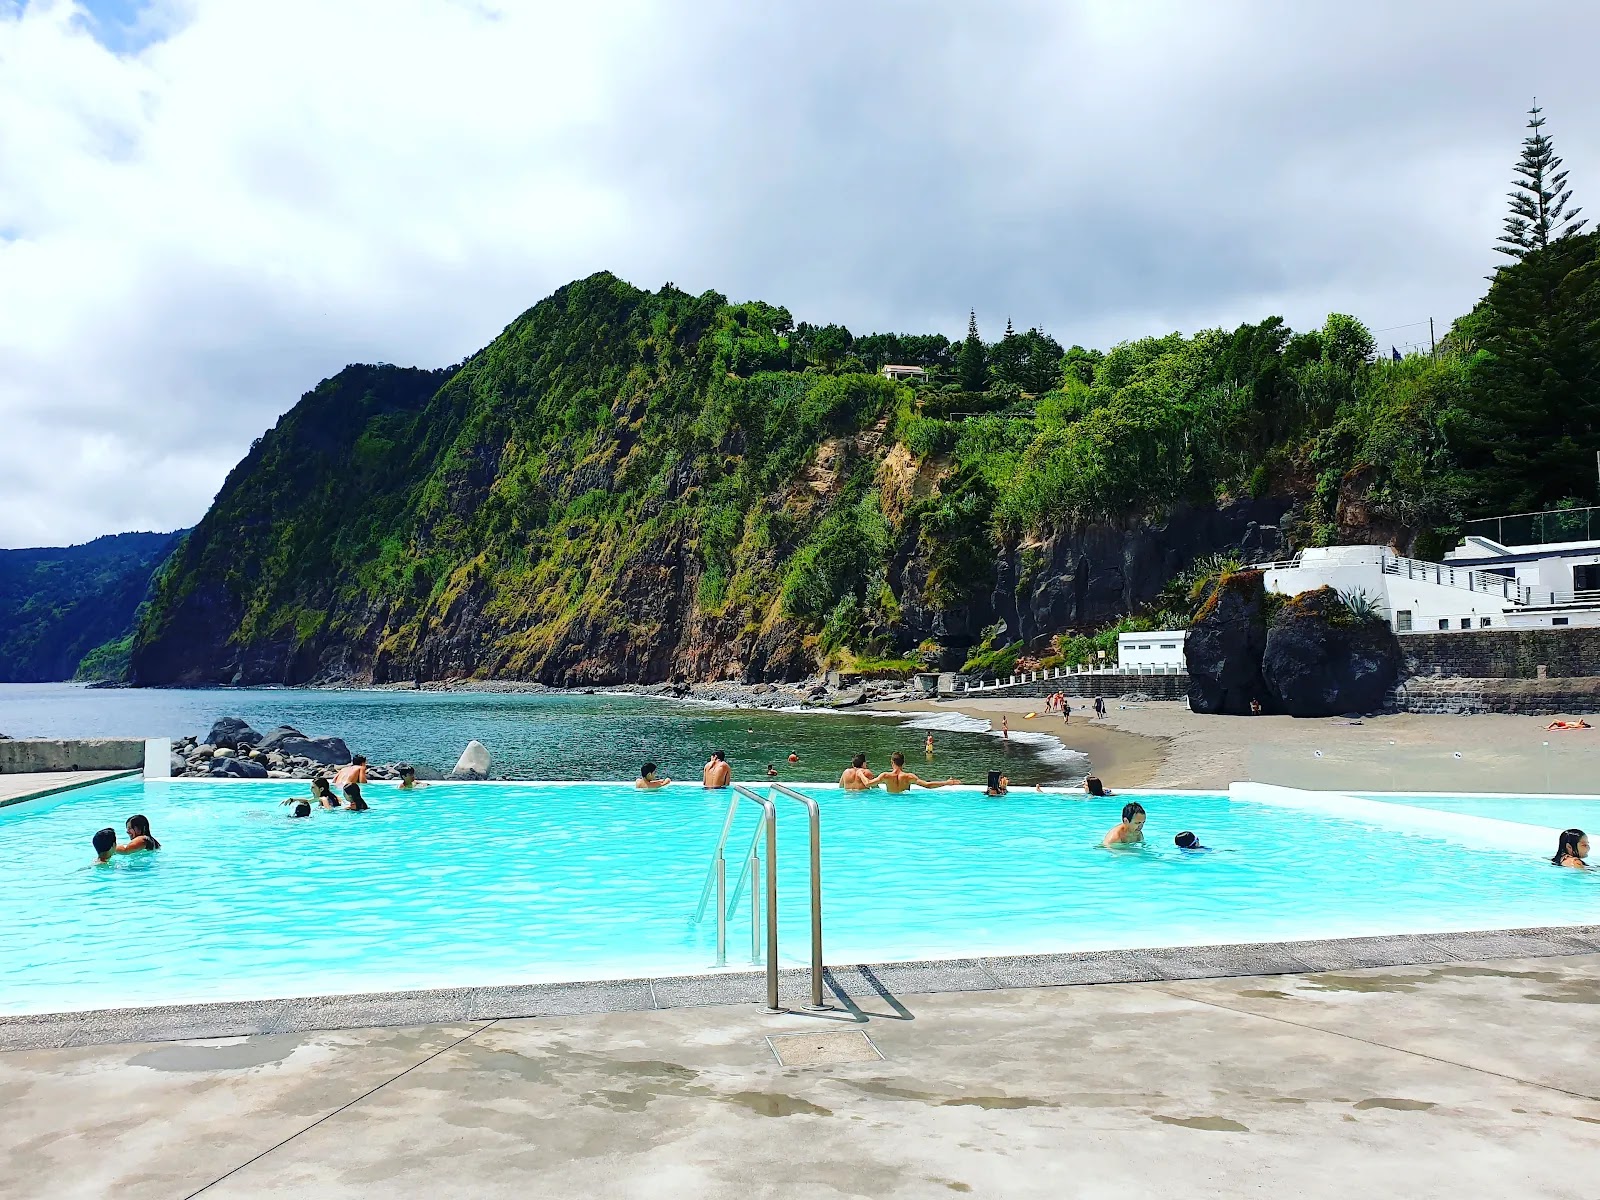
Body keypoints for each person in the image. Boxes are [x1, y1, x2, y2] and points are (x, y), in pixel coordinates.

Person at [877, 751, 959, 793]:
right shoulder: (909, 777)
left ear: (892, 762)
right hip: (906, 803)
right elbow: (928, 785)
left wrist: (863, 772)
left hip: (890, 804)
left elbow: (868, 783)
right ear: (904, 763)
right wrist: (947, 782)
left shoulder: (885, 776)